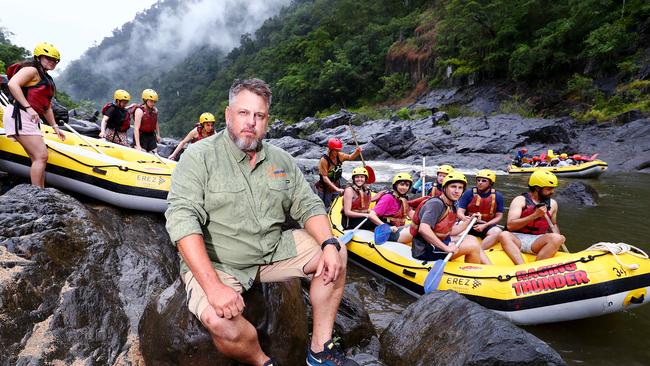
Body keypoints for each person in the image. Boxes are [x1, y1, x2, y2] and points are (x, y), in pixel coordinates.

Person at [165, 78, 359, 366]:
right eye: (243, 113)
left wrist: (329, 242)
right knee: (222, 324)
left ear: (267, 120)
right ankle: (262, 361)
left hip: (272, 251)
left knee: (336, 252)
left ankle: (320, 350)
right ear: (229, 115)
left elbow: (308, 205)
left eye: (259, 115)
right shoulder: (198, 157)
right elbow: (182, 219)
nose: (251, 122)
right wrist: (215, 287)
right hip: (221, 261)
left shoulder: (280, 160)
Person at [3, 42, 66, 188]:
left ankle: (39, 191)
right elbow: (13, 84)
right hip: (20, 114)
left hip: (28, 117)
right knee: (41, 156)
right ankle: (37, 193)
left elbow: (46, 106)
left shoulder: (46, 77)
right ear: (38, 58)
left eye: (55, 60)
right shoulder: (32, 70)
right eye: (48, 58)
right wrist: (28, 107)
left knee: (37, 157)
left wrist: (55, 127)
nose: (52, 62)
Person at [409, 172, 491, 264]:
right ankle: (474, 275)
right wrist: (446, 248)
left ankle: (491, 268)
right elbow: (423, 229)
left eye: (460, 188)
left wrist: (470, 221)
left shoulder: (452, 205)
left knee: (471, 238)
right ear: (445, 188)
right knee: (473, 246)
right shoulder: (436, 204)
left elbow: (451, 231)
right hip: (426, 250)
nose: (457, 191)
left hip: (439, 243)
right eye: (453, 186)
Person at [498, 170, 565, 265]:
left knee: (558, 238)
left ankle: (536, 267)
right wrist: (535, 215)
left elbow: (553, 225)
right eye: (549, 189)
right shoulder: (520, 200)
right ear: (537, 188)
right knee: (504, 234)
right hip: (517, 239)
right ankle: (522, 267)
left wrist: (558, 240)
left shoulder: (553, 204)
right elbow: (510, 226)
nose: (552, 192)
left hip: (537, 241)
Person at [457, 169, 504, 250]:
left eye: (484, 181)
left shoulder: (498, 196)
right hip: (468, 222)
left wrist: (485, 225)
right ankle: (459, 248)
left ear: (491, 183)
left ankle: (479, 250)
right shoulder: (469, 193)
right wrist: (465, 219)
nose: (480, 182)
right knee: (459, 228)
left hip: (486, 224)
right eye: (478, 180)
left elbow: (499, 216)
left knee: (497, 232)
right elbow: (460, 212)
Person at [366, 172, 414, 243]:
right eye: (402, 184)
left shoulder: (404, 199)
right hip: (387, 232)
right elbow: (371, 215)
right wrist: (386, 227)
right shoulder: (388, 198)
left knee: (420, 225)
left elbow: (413, 215)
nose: (404, 187)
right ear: (396, 185)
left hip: (398, 229)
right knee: (418, 228)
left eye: (407, 185)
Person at [316, 137, 361, 210]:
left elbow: (350, 157)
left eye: (338, 150)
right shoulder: (324, 160)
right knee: (325, 207)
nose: (337, 152)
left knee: (337, 204)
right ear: (330, 150)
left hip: (336, 184)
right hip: (325, 187)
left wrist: (357, 152)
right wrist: (336, 188)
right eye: (335, 151)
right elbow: (324, 177)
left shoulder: (339, 156)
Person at [341, 166, 376, 231]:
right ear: (353, 179)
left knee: (382, 218)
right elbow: (347, 212)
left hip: (361, 218)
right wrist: (366, 215)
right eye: (357, 177)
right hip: (350, 221)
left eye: (362, 177)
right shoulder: (349, 190)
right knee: (373, 222)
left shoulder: (366, 190)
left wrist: (371, 212)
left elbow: (365, 207)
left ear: (365, 179)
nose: (359, 179)